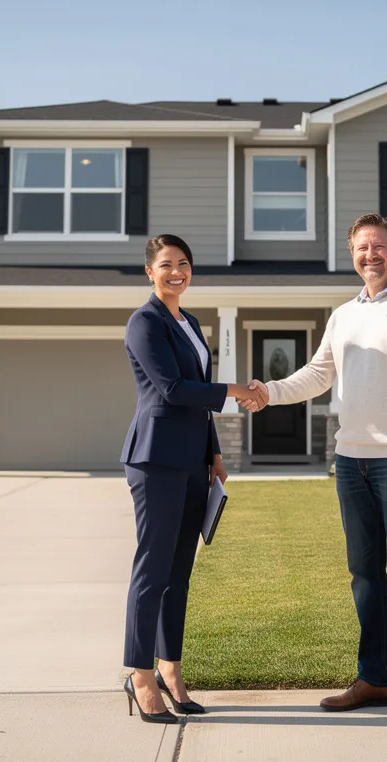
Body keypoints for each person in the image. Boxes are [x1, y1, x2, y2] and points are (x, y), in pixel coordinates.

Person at [244, 213, 387, 730]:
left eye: (378, 246)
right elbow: (319, 374)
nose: (370, 255)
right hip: (350, 462)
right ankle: (373, 678)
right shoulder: (343, 316)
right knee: (364, 576)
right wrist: (268, 393)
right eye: (361, 247)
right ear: (353, 254)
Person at [120, 234, 261, 723]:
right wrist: (235, 390)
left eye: (183, 264)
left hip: (191, 462)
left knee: (178, 575)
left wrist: (215, 453)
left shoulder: (191, 322)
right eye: (166, 265)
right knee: (152, 570)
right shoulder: (145, 322)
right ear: (149, 272)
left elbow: (197, 406)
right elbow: (174, 389)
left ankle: (170, 669)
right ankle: (139, 675)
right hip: (155, 460)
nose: (176, 272)